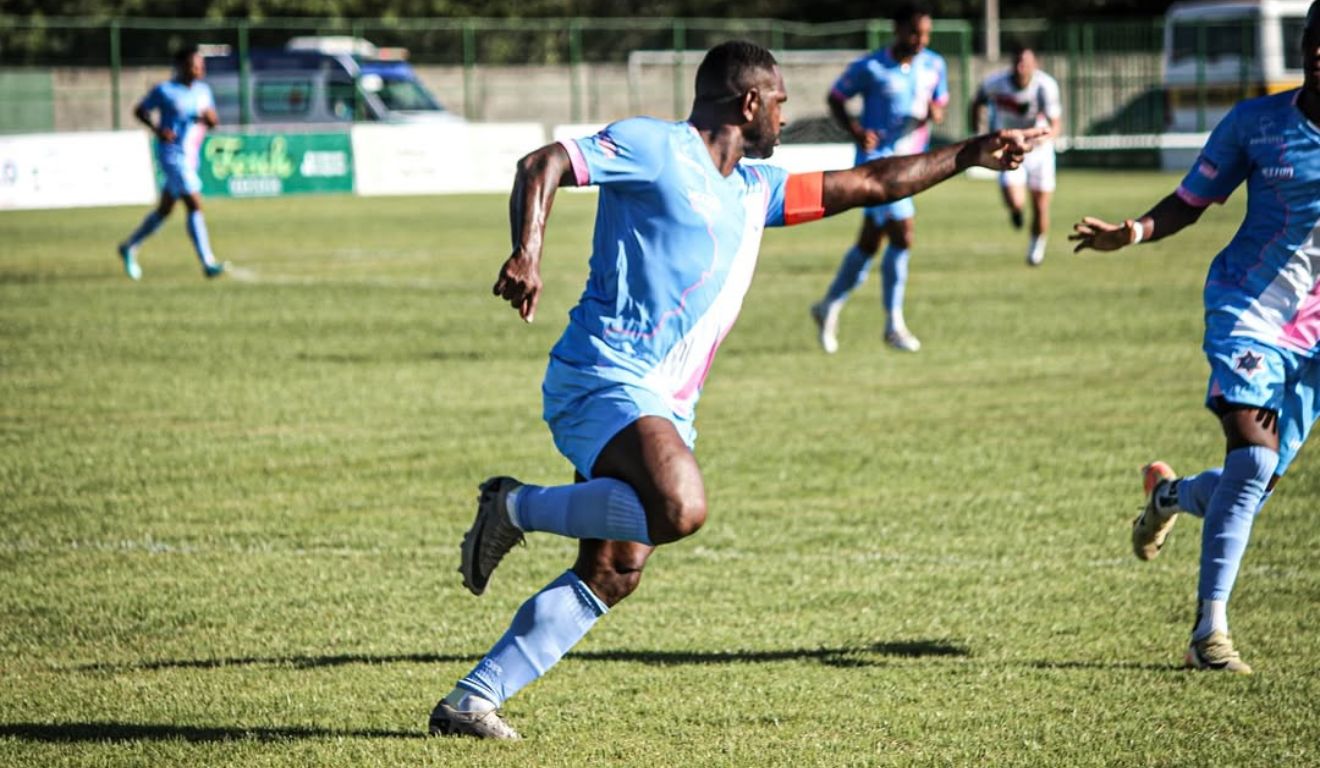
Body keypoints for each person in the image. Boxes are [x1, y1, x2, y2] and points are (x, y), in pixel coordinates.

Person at [428, 40, 1042, 740]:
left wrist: (968, 153)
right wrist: (528, 249)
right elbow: (543, 164)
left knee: (615, 568)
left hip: (662, 407)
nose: (787, 117)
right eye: (781, 102)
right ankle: (513, 506)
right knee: (680, 505)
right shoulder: (654, 146)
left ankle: (470, 701)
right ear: (749, 102)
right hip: (603, 379)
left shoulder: (758, 190)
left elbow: (872, 182)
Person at [1069, 1, 1320, 675]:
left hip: (1316, 343)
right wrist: (1136, 231)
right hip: (1250, 311)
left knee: (1249, 482)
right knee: (1254, 464)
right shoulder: (1258, 124)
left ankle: (1169, 497)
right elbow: (1192, 200)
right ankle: (1208, 637)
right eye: (1317, 42)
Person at [809, 3, 949, 354]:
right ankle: (893, 324)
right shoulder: (871, 67)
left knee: (870, 244)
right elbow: (836, 97)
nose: (921, 40)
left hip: (912, 164)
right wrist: (856, 130)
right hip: (876, 164)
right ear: (898, 29)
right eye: (915, 32)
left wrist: (937, 112)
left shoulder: (935, 64)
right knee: (904, 233)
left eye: (926, 34)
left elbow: (939, 103)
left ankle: (829, 306)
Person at [116, 45, 225, 281]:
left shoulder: (204, 91)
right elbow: (140, 110)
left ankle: (129, 246)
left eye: (201, 65)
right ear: (182, 66)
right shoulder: (166, 90)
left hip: (190, 157)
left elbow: (213, 122)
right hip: (172, 155)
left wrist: (210, 118)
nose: (200, 69)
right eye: (195, 65)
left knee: (165, 210)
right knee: (195, 204)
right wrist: (157, 130)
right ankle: (208, 262)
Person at [969, 42, 1062, 266]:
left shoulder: (1045, 86)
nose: (1021, 67)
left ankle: (1035, 249)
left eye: (1026, 63)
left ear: (1035, 64)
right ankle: (1016, 211)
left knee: (1040, 206)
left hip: (1039, 151)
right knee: (1015, 199)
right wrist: (977, 132)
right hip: (1010, 149)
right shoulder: (995, 83)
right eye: (1018, 62)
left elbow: (1056, 124)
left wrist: (1044, 139)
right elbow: (976, 103)